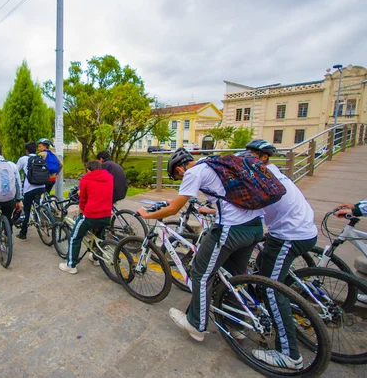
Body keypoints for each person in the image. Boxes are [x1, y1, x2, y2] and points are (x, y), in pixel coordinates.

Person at [136, 148, 263, 342]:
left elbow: (172, 210)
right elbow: (213, 192)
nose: (181, 179)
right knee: (233, 276)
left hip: (230, 229)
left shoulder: (193, 172)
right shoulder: (211, 162)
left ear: (179, 168)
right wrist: (179, 199)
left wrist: (147, 215)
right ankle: (236, 324)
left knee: (200, 274)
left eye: (178, 177)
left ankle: (196, 324)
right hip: (254, 226)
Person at [243, 139, 318, 370]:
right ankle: (281, 309)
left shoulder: (262, 178)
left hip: (289, 235)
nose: (247, 157)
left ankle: (289, 355)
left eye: (251, 154)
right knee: (265, 264)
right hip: (301, 229)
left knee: (271, 288)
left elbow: (247, 207)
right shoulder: (274, 172)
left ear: (264, 157)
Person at [59, 159, 114, 274]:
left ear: (88, 170)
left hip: (91, 215)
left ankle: (71, 265)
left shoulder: (86, 179)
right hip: (106, 214)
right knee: (99, 236)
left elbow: (83, 199)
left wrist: (81, 210)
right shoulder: (109, 177)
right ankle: (96, 258)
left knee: (75, 237)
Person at [15, 142, 47, 240]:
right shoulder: (40, 158)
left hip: (29, 188)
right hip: (42, 186)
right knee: (37, 203)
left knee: (27, 210)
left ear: (26, 150)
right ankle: (40, 218)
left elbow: (15, 171)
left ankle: (23, 233)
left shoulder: (23, 159)